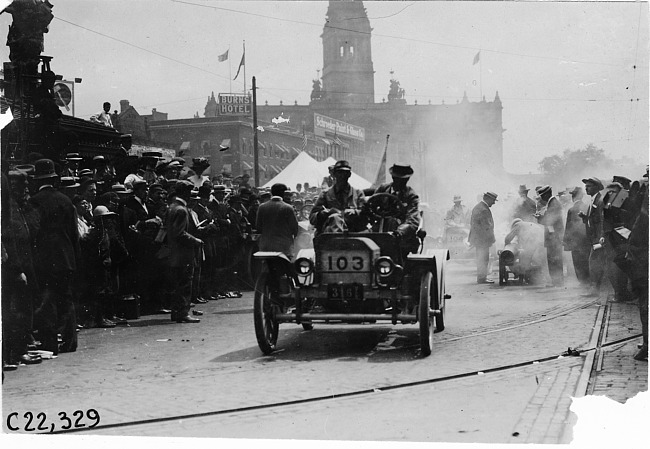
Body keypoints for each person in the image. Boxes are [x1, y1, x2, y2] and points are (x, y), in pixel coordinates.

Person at [29, 159, 80, 354]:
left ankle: (50, 344)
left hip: (45, 260)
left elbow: (34, 232)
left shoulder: (34, 201)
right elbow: (74, 235)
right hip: (66, 259)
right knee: (66, 299)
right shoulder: (66, 200)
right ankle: (70, 342)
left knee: (47, 301)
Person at [165, 180, 204, 323]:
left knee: (177, 284)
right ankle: (183, 313)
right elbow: (179, 233)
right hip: (183, 254)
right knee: (185, 284)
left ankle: (177, 313)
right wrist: (196, 240)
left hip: (174, 253)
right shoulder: (181, 210)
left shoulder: (172, 207)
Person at [374, 164, 421, 256]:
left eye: (404, 179)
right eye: (397, 178)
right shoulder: (383, 189)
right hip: (379, 231)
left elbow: (413, 220)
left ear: (407, 179)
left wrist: (399, 232)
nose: (400, 182)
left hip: (400, 237)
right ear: (392, 177)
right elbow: (370, 206)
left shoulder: (411, 196)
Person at [310, 160, 367, 236]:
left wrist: (354, 212)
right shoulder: (325, 194)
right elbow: (312, 217)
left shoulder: (357, 193)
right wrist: (324, 213)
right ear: (334, 174)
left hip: (353, 232)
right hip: (330, 234)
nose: (342, 176)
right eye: (339, 173)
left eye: (345, 173)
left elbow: (366, 214)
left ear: (349, 175)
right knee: (335, 217)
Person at [256, 183, 299, 258]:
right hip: (284, 246)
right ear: (283, 193)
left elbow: (258, 227)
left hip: (266, 246)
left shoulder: (262, 207)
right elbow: (294, 228)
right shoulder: (288, 208)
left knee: (266, 267)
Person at [579, 177, 605, 297]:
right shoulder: (594, 200)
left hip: (598, 238)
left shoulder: (599, 201)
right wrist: (585, 218)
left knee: (594, 263)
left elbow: (603, 220)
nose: (586, 188)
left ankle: (595, 289)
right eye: (586, 186)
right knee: (594, 262)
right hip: (594, 238)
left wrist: (601, 237)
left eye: (589, 186)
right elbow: (594, 220)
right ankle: (595, 287)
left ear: (596, 187)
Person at [534, 185, 564, 287]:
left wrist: (539, 218)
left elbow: (549, 220)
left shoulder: (553, 204)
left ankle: (557, 282)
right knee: (553, 259)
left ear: (547, 194)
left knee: (554, 259)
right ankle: (556, 281)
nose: (541, 198)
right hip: (553, 236)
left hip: (554, 237)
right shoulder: (552, 203)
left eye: (542, 195)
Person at [563, 186, 590, 285]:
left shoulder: (571, 209)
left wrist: (566, 241)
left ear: (573, 197)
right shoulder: (587, 206)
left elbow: (568, 227)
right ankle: (588, 280)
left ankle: (582, 281)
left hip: (575, 241)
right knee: (586, 260)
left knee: (577, 262)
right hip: (585, 239)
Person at [468, 192, 498, 284]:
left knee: (482, 258)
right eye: (493, 200)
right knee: (483, 258)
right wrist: (492, 239)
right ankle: (482, 278)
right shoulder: (483, 209)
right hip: (482, 239)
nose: (493, 203)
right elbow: (487, 227)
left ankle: (482, 277)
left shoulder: (479, 207)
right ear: (487, 199)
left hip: (479, 239)